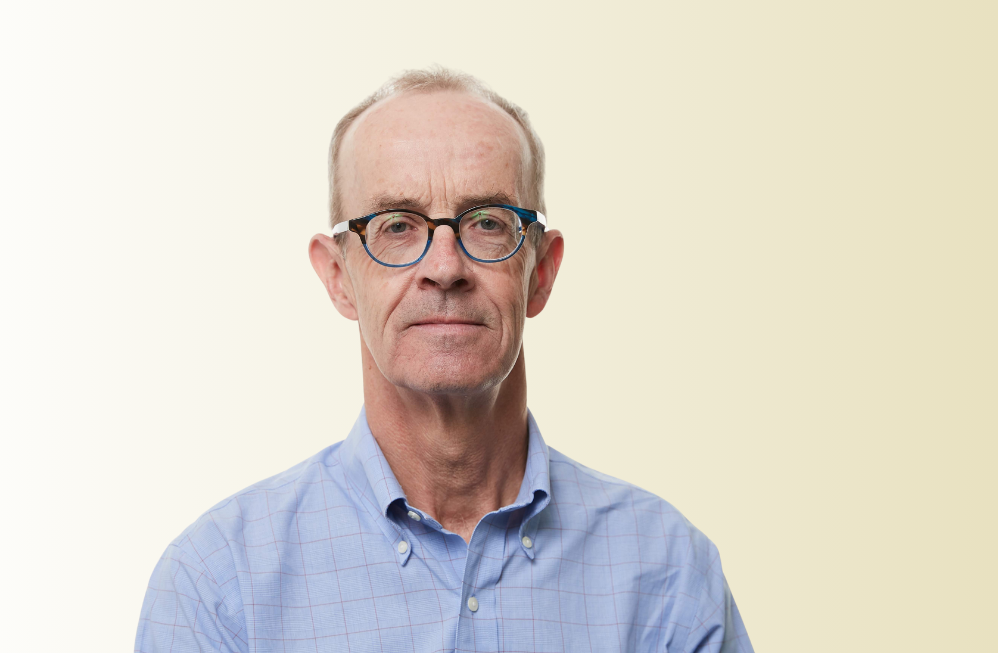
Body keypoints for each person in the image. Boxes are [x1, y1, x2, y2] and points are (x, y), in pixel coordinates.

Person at [136, 66, 753, 653]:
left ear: (541, 272)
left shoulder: (668, 573)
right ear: (338, 277)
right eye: (397, 225)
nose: (445, 268)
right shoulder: (219, 584)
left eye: (487, 222)